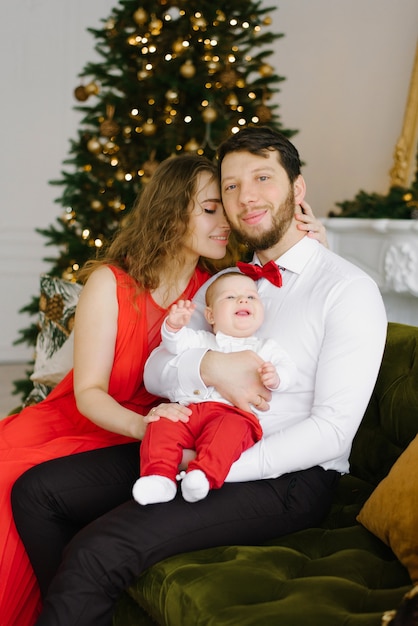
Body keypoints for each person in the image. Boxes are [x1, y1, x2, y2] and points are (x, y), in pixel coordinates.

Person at [11, 126, 374, 626]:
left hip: (285, 475)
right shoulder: (231, 281)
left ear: (297, 188)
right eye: (230, 187)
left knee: (98, 550)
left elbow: (332, 431)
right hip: (196, 436)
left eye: (263, 178)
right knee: (37, 492)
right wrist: (207, 364)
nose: (245, 197)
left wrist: (208, 465)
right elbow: (161, 368)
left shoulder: (346, 289)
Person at [1, 153, 237, 626]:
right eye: (210, 209)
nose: (225, 222)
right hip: (91, 418)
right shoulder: (110, 283)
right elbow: (88, 392)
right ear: (172, 212)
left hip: (158, 435)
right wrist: (143, 424)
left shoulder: (215, 293)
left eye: (224, 210)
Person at [133, 271, 296, 505]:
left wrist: (276, 377)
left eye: (252, 297)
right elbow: (175, 345)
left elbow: (288, 370)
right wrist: (173, 326)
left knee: (227, 433)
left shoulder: (265, 348)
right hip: (191, 412)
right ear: (210, 315)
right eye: (230, 297)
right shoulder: (201, 340)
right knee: (162, 425)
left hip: (234, 414)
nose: (243, 300)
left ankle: (202, 475)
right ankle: (159, 478)